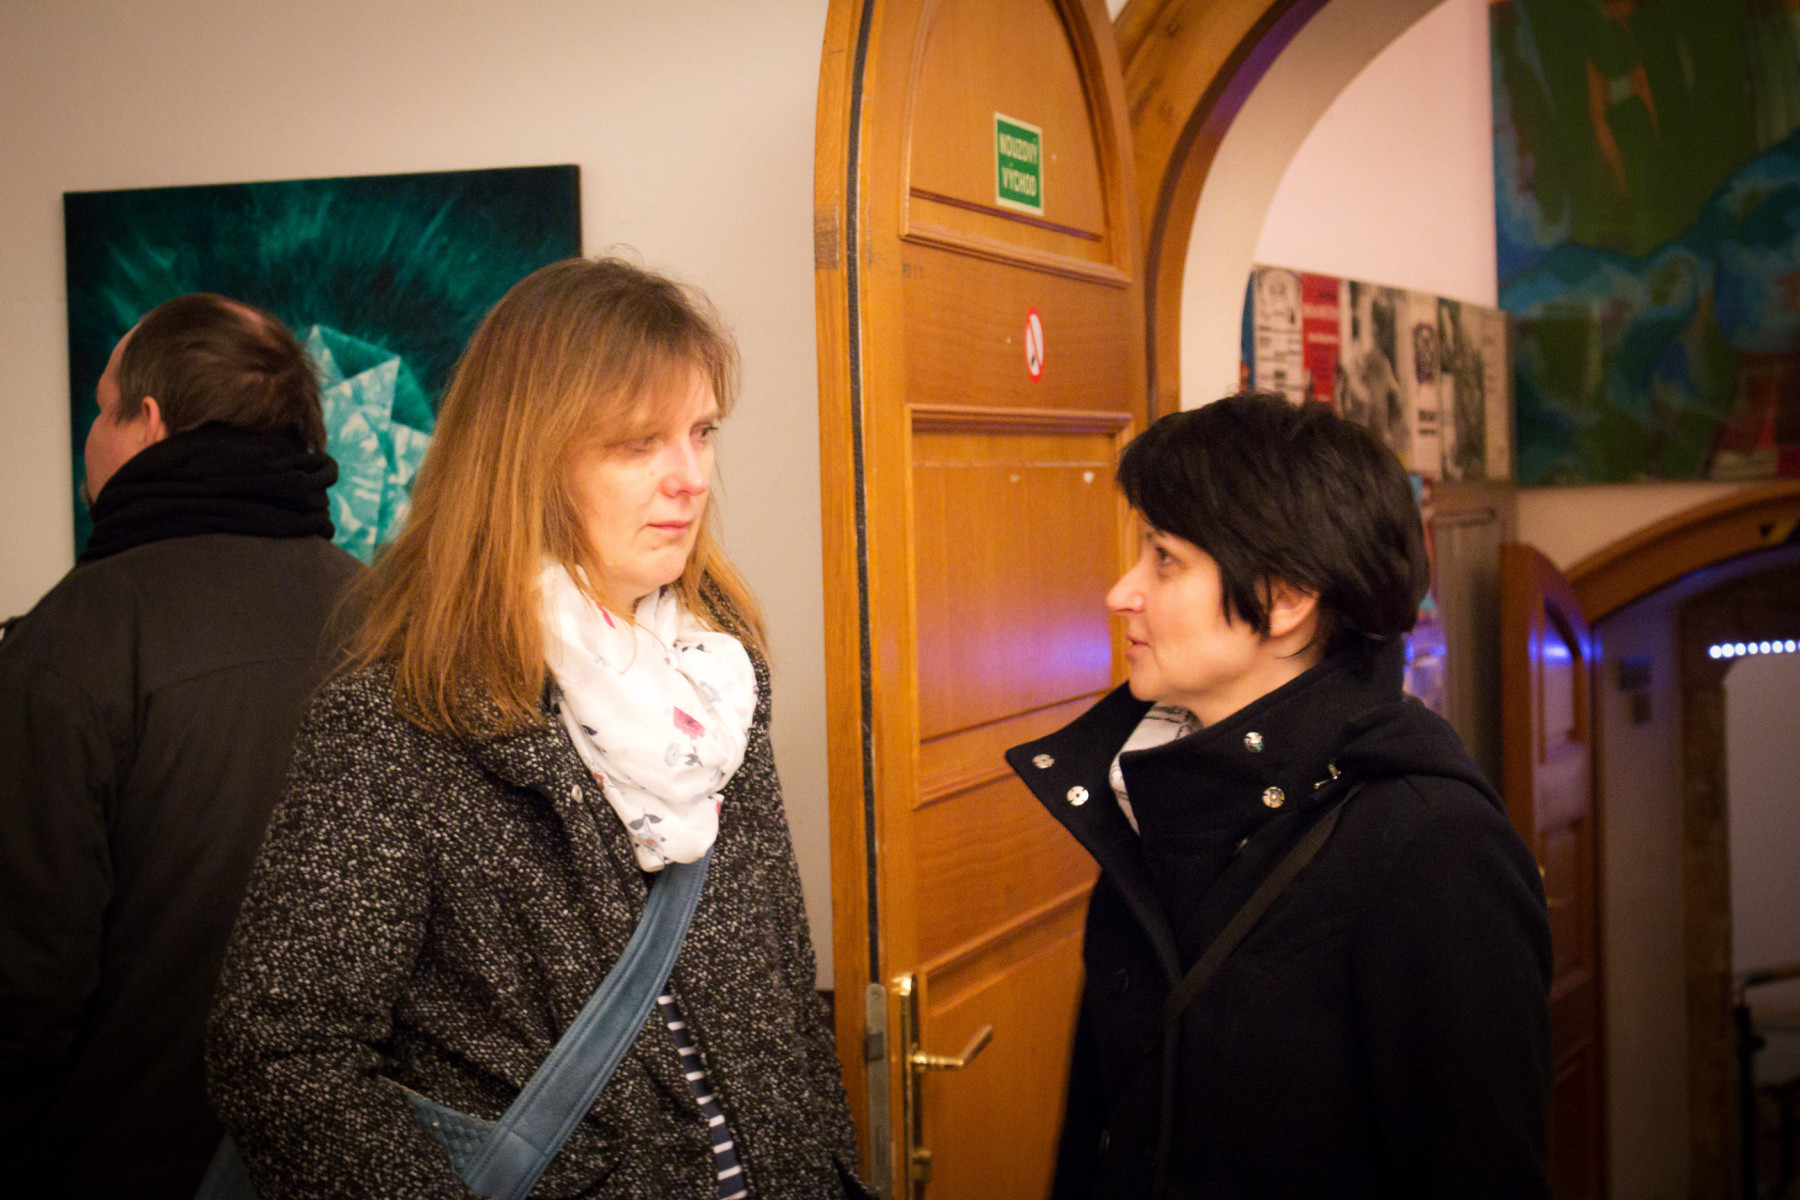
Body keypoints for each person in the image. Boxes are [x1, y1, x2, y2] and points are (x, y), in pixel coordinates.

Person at [207, 257, 865, 1199]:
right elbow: (279, 1054)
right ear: (528, 460)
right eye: (639, 444)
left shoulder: (718, 678)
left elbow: (783, 995)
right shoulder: (400, 717)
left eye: (702, 432)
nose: (690, 478)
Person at [1005, 393, 1552, 1199]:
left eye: (1165, 560)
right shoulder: (1148, 797)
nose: (1123, 592)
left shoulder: (1432, 847)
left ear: (1287, 599)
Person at [0, 294, 362, 1199]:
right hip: (357, 1164)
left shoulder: (75, 634)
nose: (90, 438)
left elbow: (23, 981)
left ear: (148, 423)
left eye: (100, 409)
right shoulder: (394, 620)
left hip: (120, 1165)